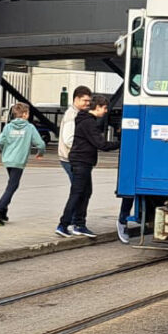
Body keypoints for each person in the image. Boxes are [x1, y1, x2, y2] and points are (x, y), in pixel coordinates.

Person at [55, 94, 120, 238]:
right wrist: (121, 143)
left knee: (84, 193)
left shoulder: (85, 120)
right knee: (77, 193)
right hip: (82, 162)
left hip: (82, 162)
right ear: (97, 107)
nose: (105, 111)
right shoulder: (89, 123)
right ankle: (64, 224)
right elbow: (101, 144)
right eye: (104, 108)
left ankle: (79, 224)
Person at [0, 102, 45, 226]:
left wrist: (5, 150)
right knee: (12, 186)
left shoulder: (8, 127)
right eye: (28, 113)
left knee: (11, 184)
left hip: (8, 160)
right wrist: (41, 153)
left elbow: (0, 141)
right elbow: (40, 144)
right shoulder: (29, 128)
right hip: (18, 161)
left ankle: (3, 212)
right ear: (25, 114)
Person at [57, 86, 92, 228]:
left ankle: (72, 221)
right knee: (80, 191)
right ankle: (73, 222)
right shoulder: (72, 115)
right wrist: (83, 149)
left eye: (89, 101)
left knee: (81, 190)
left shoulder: (77, 113)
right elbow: (69, 139)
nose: (87, 104)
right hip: (70, 159)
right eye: (85, 100)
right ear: (76, 99)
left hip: (71, 158)